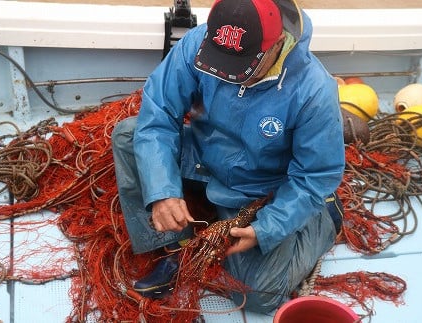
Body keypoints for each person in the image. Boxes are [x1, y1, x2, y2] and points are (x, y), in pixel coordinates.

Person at [111, 0, 345, 314]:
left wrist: (266, 229)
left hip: (257, 187)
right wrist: (162, 191)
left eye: (241, 67)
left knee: (259, 296)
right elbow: (159, 113)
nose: (228, 75)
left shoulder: (314, 90)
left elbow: (314, 176)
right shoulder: (196, 42)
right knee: (128, 134)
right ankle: (173, 245)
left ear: (276, 46)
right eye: (220, 61)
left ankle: (323, 219)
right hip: (202, 155)